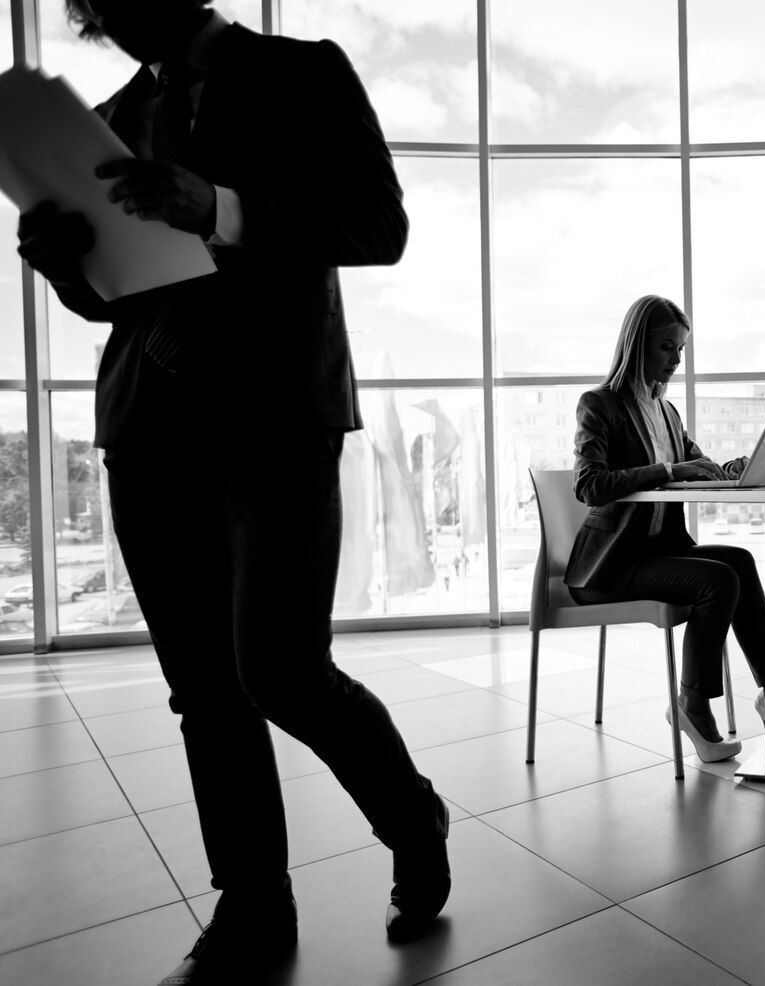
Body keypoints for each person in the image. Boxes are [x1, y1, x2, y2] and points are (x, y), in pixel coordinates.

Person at [15, 2, 450, 982]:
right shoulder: (114, 114)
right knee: (204, 692)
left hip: (272, 418)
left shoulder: (302, 73)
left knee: (283, 670)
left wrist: (216, 203)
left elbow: (377, 228)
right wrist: (60, 268)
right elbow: (113, 290)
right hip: (147, 422)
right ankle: (252, 903)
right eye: (94, 8)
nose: (111, 23)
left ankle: (410, 812)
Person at [567, 295, 765, 761]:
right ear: (637, 343)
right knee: (718, 579)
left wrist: (736, 470)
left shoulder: (667, 412)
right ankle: (693, 702)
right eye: (666, 347)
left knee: (738, 560)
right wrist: (666, 470)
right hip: (611, 567)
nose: (675, 360)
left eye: (680, 349)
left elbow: (694, 466)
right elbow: (589, 484)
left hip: (659, 552)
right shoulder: (599, 405)